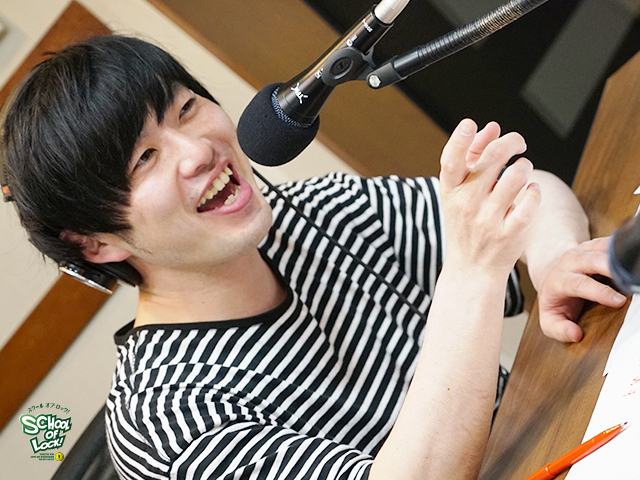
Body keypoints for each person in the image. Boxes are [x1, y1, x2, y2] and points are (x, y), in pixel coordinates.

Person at [1, 35, 627, 480]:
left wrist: (552, 261)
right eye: (145, 158)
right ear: (96, 242)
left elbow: (533, 193)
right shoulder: (163, 420)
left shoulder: (305, 213)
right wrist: (473, 270)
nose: (198, 151)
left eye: (187, 109)